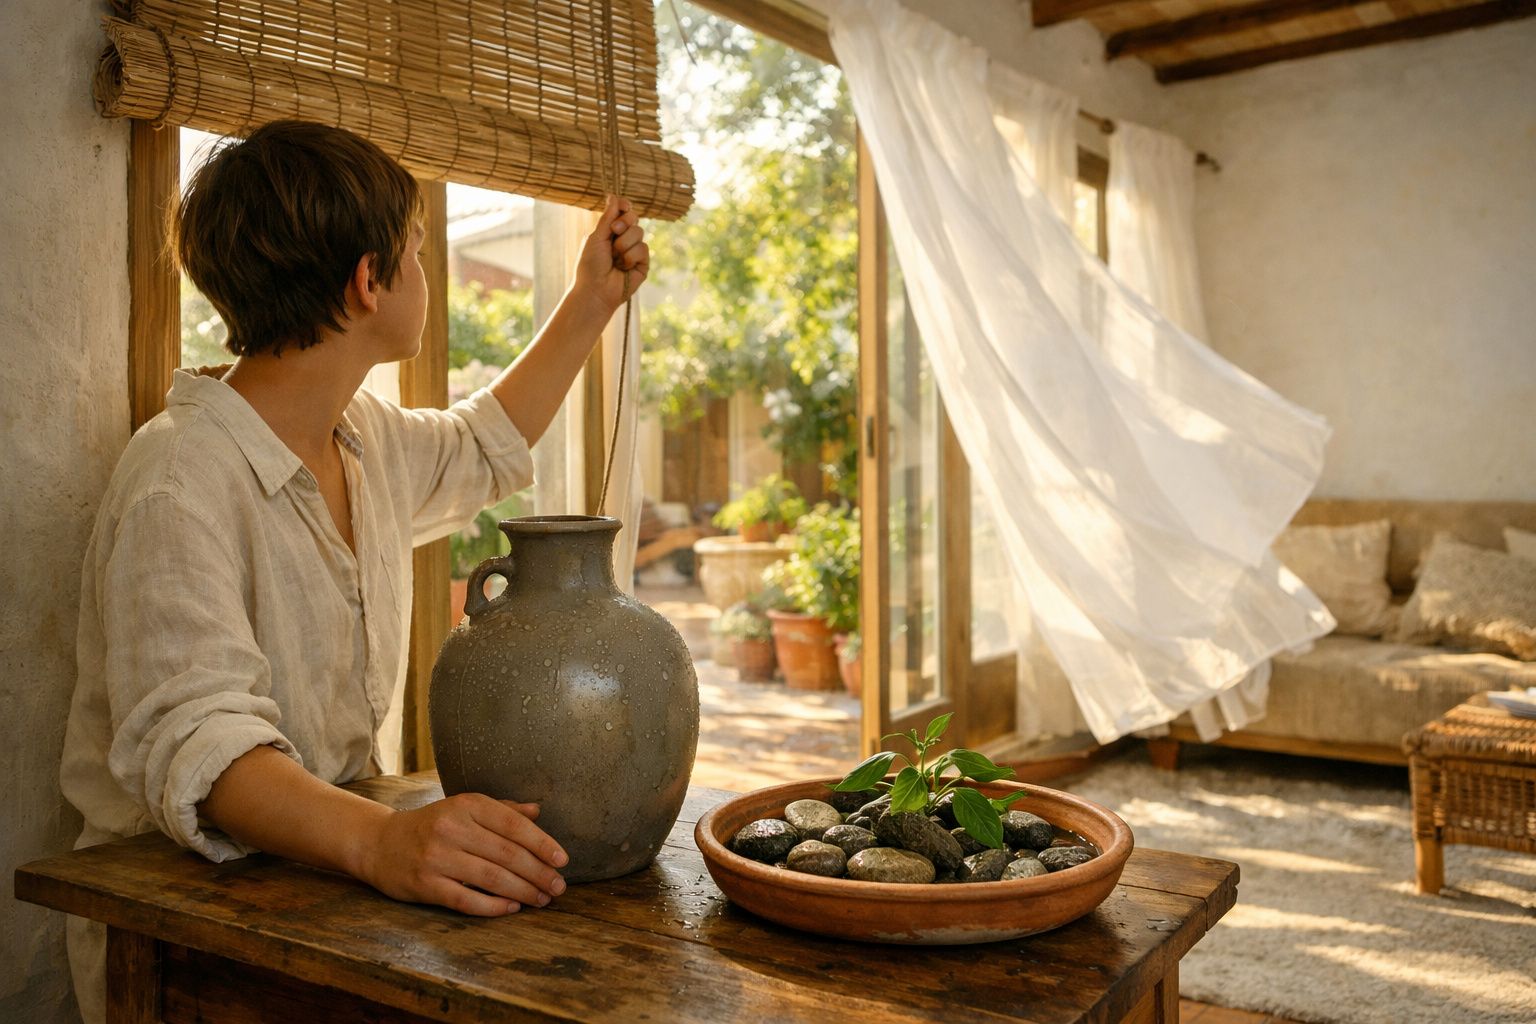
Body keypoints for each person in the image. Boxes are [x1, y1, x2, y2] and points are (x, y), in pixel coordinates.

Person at [58, 120, 649, 1023]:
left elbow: (483, 441)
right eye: (416, 251)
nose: (426, 272)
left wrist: (592, 302)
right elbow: (205, 746)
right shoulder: (178, 481)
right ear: (369, 281)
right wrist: (385, 843)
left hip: (324, 889)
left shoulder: (360, 435)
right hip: (184, 927)